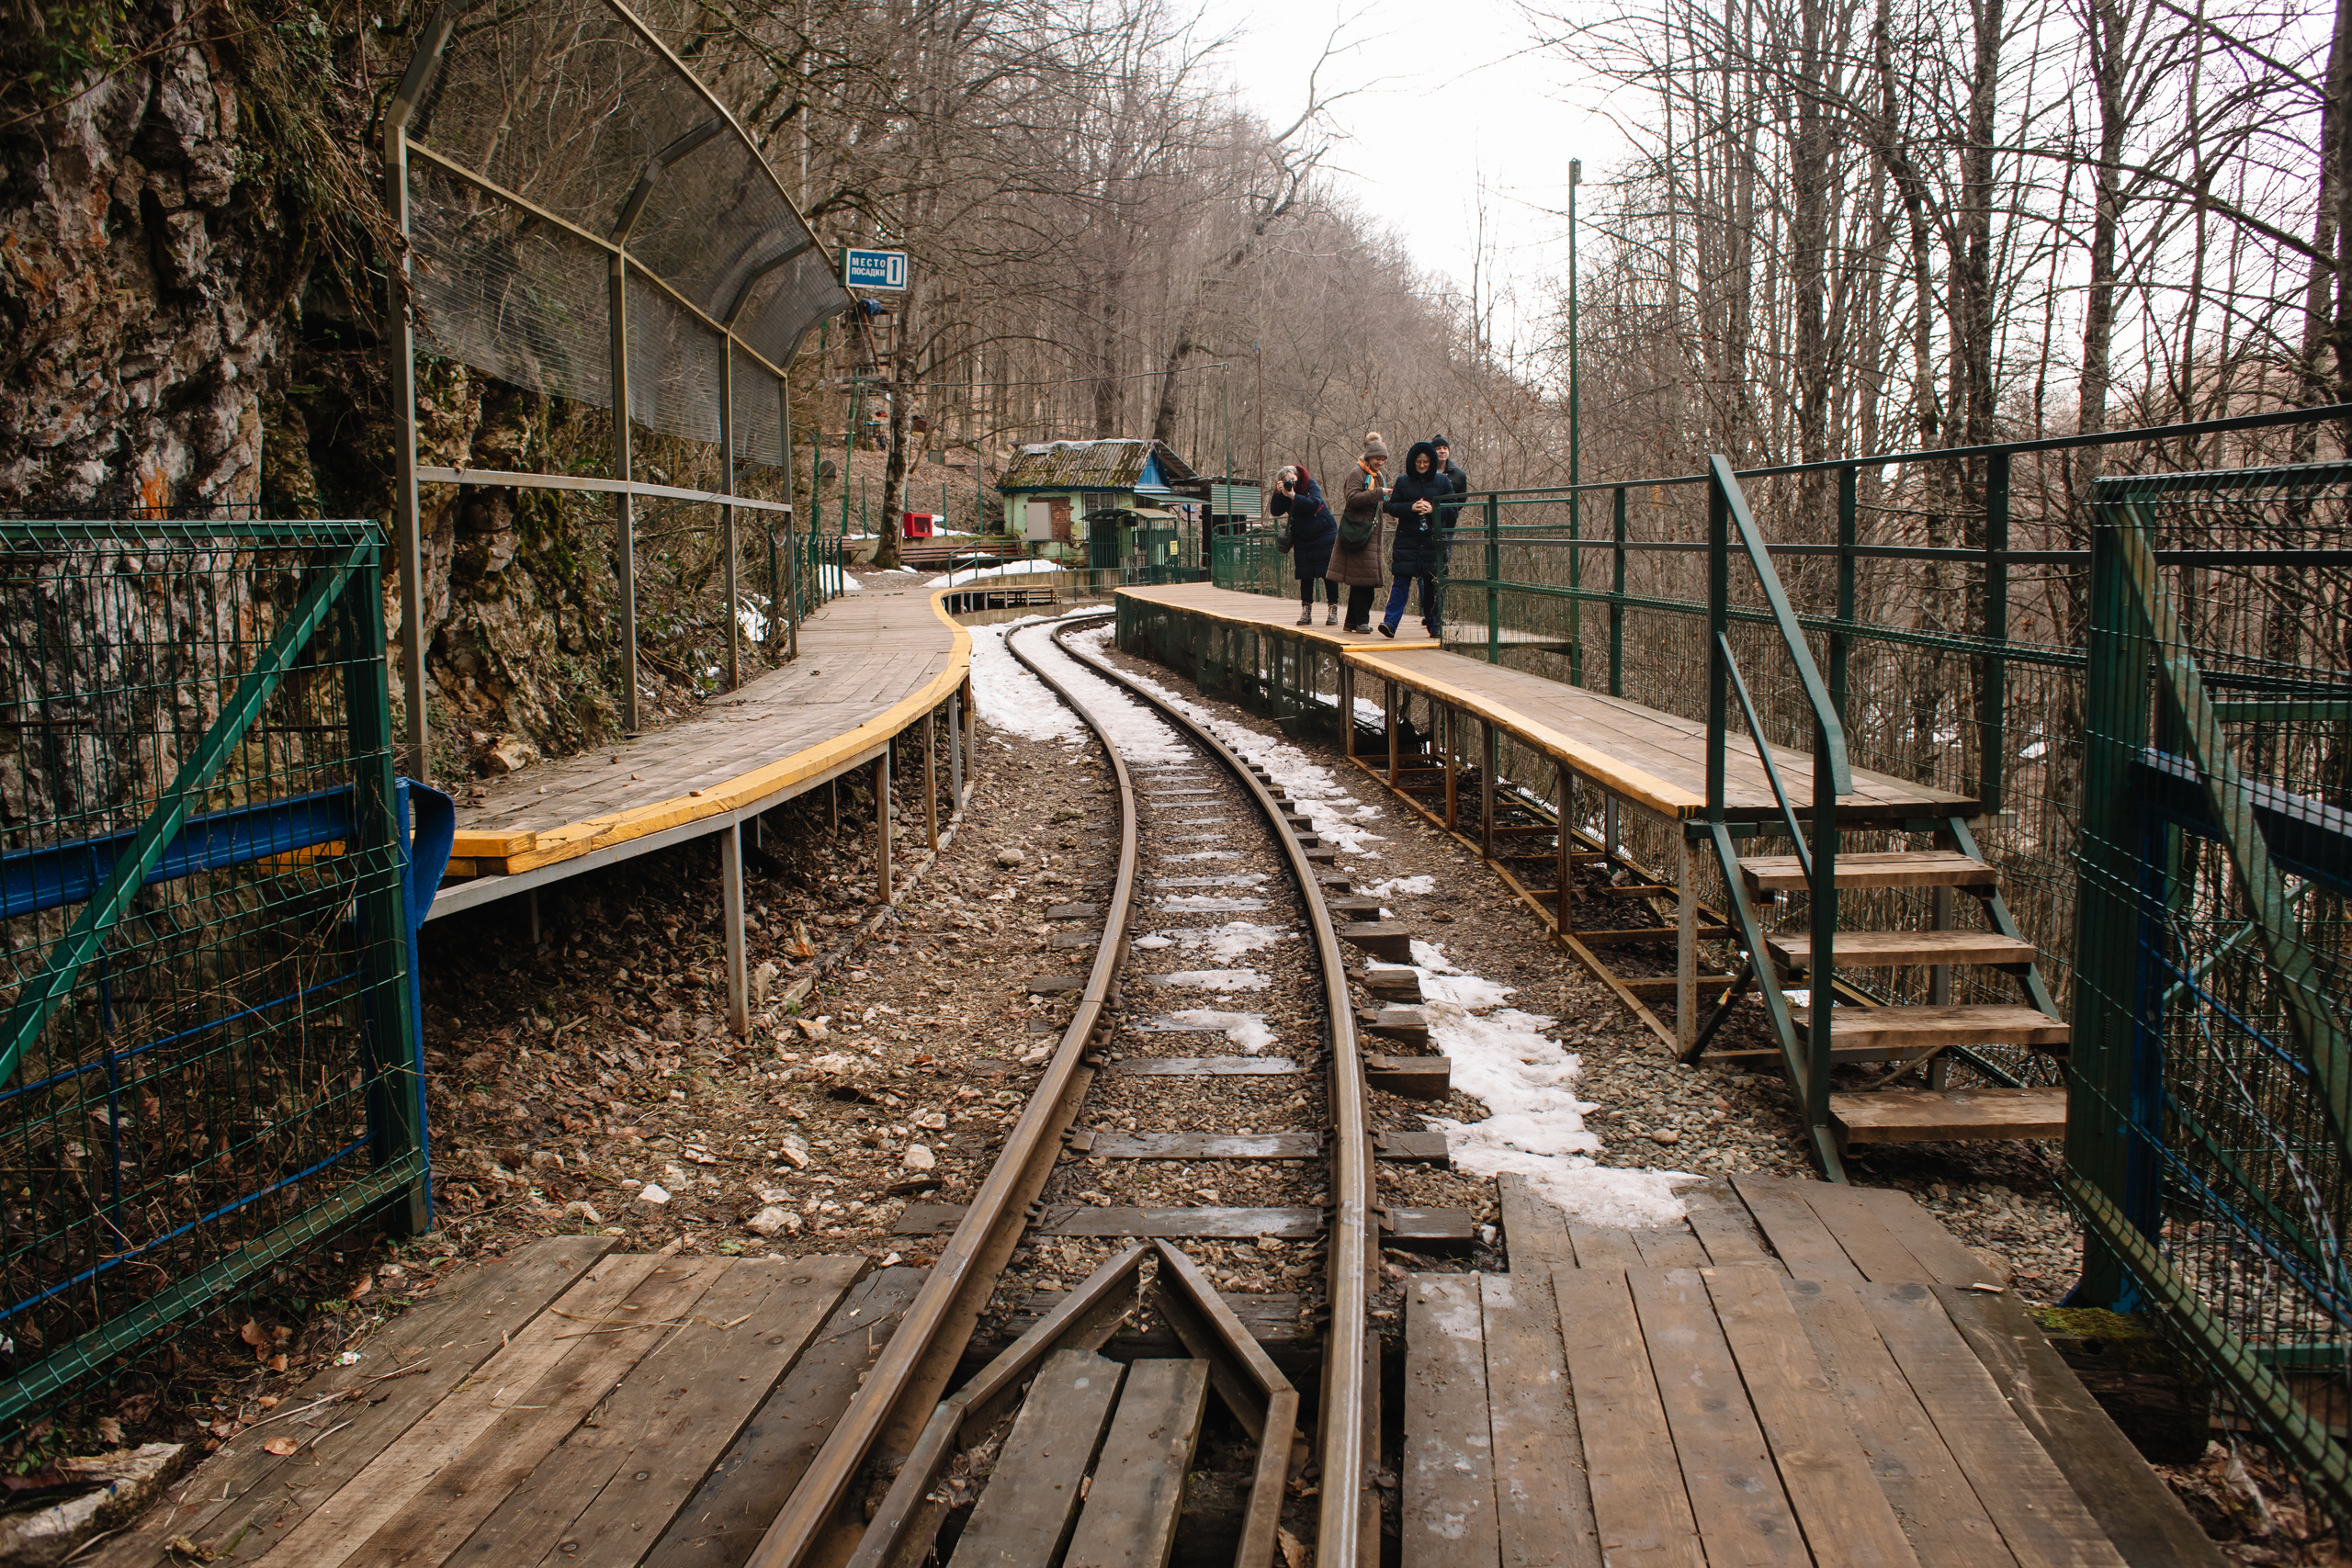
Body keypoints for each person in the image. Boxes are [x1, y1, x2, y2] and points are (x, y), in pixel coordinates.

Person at [1379, 440, 1453, 638]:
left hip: (1432, 541)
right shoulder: (1403, 481)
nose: (1422, 465)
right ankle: (1390, 623)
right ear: (1412, 462)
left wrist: (1433, 510)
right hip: (1407, 540)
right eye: (1418, 462)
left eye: (1426, 462)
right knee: (1401, 582)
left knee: (1431, 583)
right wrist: (1410, 508)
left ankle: (1434, 624)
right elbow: (1391, 507)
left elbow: (1452, 509)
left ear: (1432, 462)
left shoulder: (1443, 482)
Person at [1332, 433, 1391, 632]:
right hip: (1359, 533)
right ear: (1368, 457)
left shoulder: (1376, 476)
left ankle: (1351, 623)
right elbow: (1352, 499)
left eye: (1383, 460)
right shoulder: (1357, 473)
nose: (1380, 463)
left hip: (1369, 534)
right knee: (1364, 582)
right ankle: (1362, 622)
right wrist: (1380, 493)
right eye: (1377, 459)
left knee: (1362, 580)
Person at [1271, 465, 1340, 625]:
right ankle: (1306, 611)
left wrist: (1294, 496)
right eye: (1286, 481)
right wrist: (1278, 492)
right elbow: (1275, 511)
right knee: (1305, 574)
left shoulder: (1311, 485)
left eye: (1292, 480)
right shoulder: (1284, 493)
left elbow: (1314, 504)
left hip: (1324, 532)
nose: (1291, 483)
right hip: (1302, 536)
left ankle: (1333, 610)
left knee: (1328, 573)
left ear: (1298, 477)